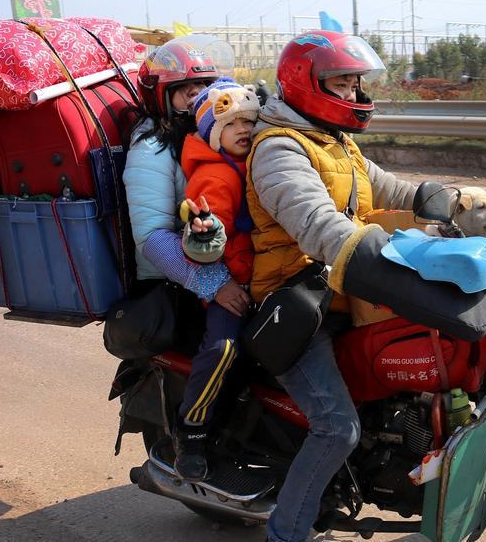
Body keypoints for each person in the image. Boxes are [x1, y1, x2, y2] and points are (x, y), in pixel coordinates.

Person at [246, 30, 420, 542]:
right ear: (307, 85)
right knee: (336, 427)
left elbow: (391, 189)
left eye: (355, 83)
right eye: (341, 84)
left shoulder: (335, 143)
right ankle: (287, 533)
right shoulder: (278, 148)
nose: (353, 95)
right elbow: (320, 225)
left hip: (342, 289)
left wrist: (452, 203)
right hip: (298, 303)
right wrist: (383, 257)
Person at [123, 35, 251, 473]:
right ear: (163, 97)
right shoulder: (154, 147)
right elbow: (153, 236)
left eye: (207, 86)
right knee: (224, 346)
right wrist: (213, 284)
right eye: (186, 91)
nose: (200, 97)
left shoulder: (230, 133)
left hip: (250, 262)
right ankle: (190, 434)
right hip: (188, 277)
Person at [171, 78, 260, 480]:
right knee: (224, 349)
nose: (243, 129)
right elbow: (200, 244)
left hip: (262, 278)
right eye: (231, 124)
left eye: (249, 121)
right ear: (212, 134)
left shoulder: (254, 163)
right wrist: (205, 238)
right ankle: (190, 430)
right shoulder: (216, 177)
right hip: (228, 286)